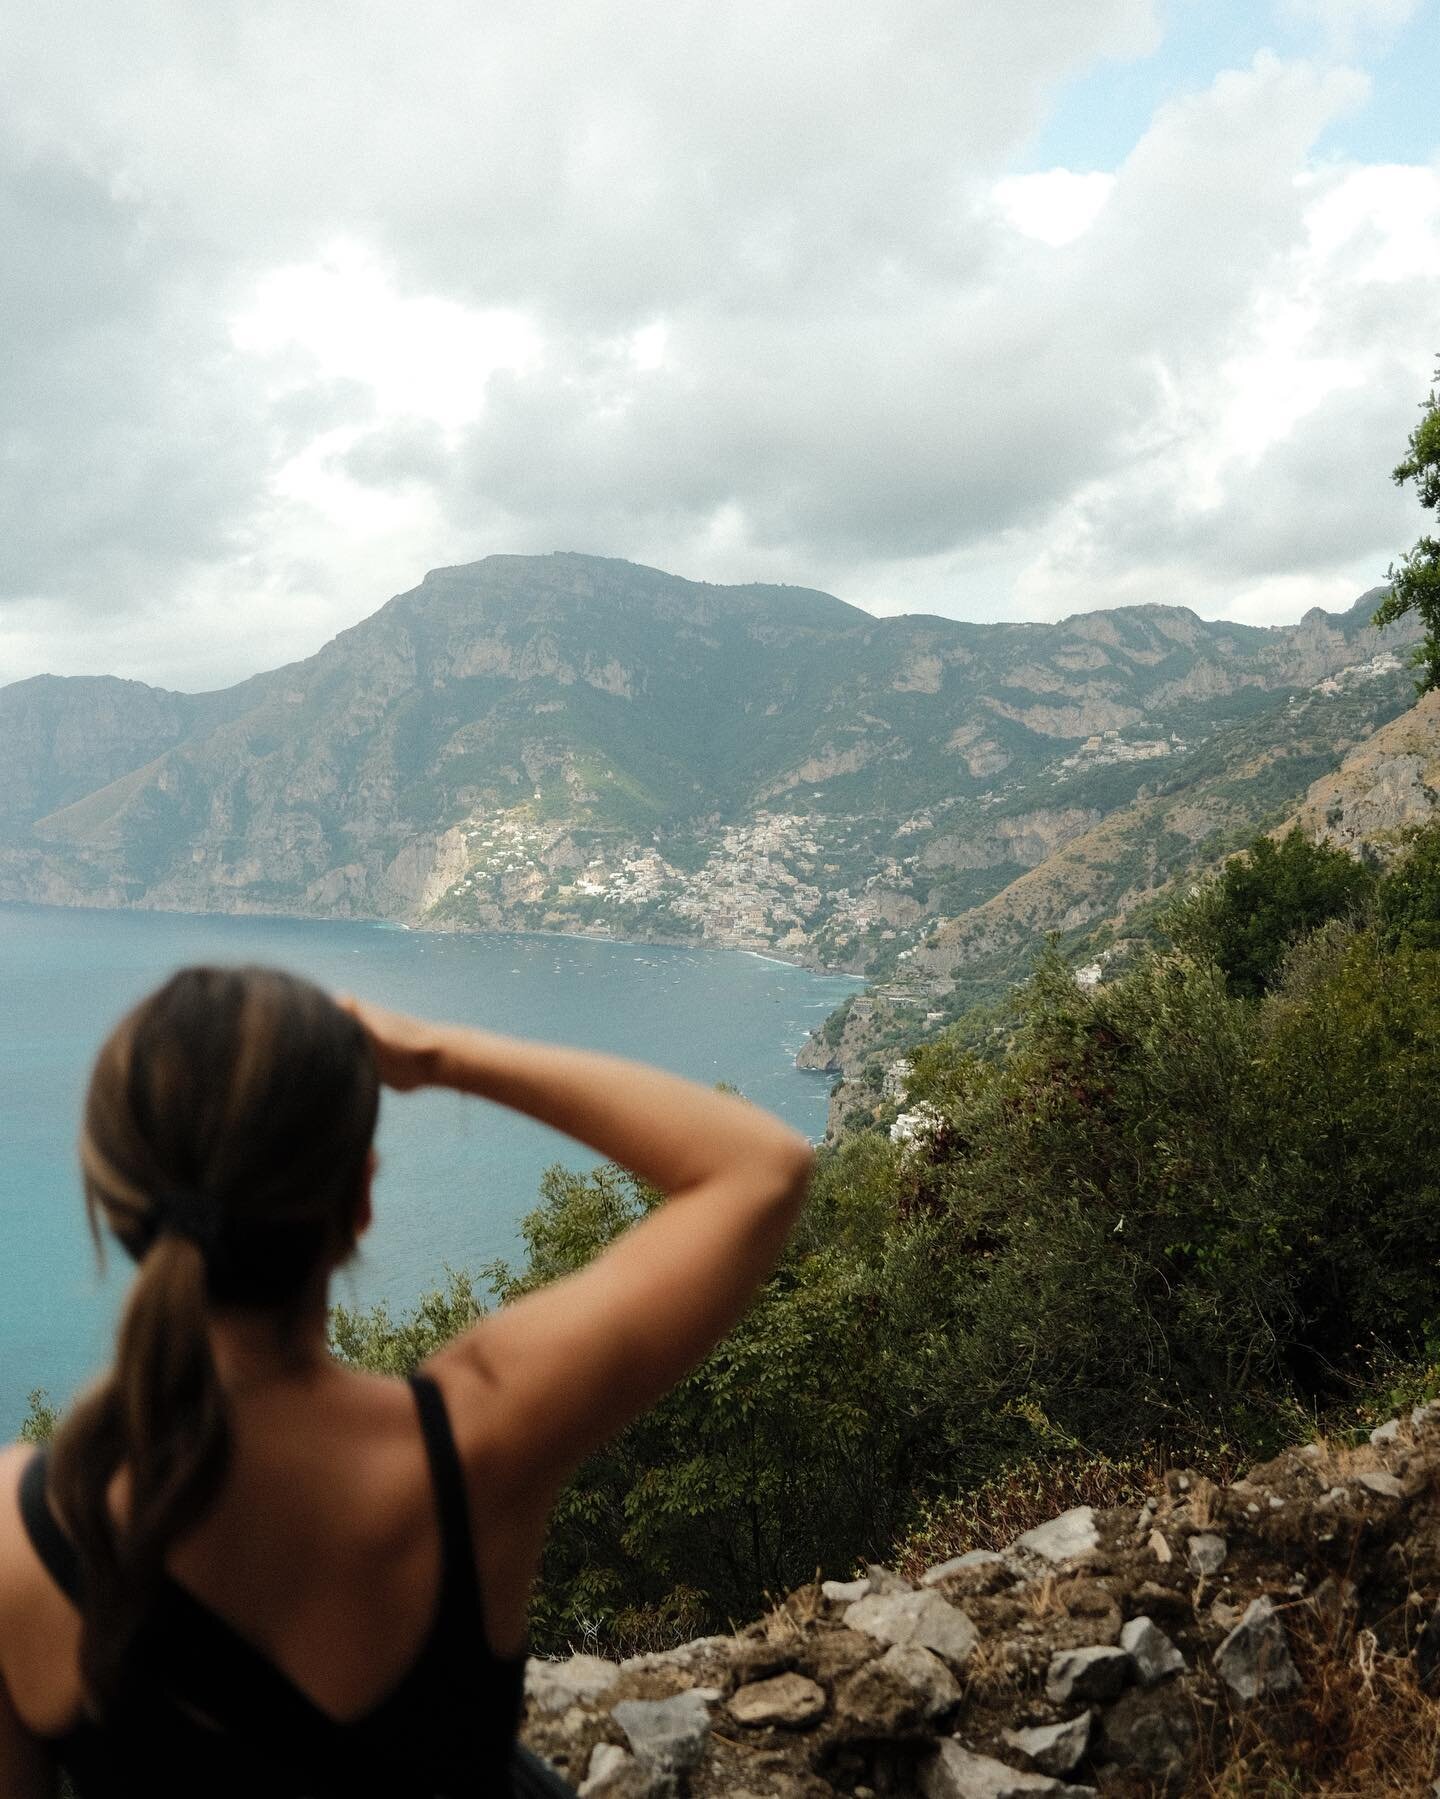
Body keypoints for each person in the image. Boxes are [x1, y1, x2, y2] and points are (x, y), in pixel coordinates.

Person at [0, 965, 813, 1797]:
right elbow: (760, 1165)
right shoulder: (473, 1440)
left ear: (113, 1205)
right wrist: (437, 1054)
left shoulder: (18, 1536)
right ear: (358, 1200)